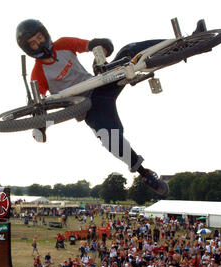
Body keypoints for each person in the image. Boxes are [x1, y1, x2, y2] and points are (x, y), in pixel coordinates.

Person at [14, 19, 205, 196]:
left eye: (40, 37)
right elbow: (39, 106)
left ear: (45, 34)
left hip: (99, 84)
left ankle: (188, 42)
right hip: (87, 106)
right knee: (109, 137)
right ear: (28, 49)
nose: (39, 44)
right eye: (33, 43)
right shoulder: (38, 73)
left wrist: (102, 50)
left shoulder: (63, 44)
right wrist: (41, 127)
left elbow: (91, 45)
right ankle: (144, 173)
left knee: (129, 52)